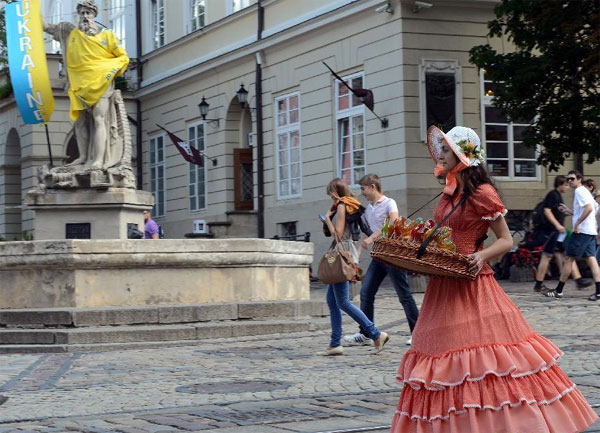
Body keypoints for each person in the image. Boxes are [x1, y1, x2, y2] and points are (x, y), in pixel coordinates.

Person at [390, 126, 597, 432]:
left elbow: (505, 240)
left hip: (472, 280)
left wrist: (480, 256)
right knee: (437, 354)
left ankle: (499, 422)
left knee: (483, 362)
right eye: (443, 149)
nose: (442, 155)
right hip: (444, 281)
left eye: (447, 150)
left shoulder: (482, 193)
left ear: (462, 155)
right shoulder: (449, 192)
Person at [43, 0, 129, 169]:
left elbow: (123, 57)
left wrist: (107, 70)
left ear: (94, 15)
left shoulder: (107, 36)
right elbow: (46, 26)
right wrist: (26, 7)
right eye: (82, 13)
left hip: (101, 83)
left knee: (99, 119)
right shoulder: (70, 33)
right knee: (80, 122)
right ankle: (83, 157)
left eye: (88, 13)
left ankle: (98, 160)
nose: (85, 16)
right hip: (79, 84)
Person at [343, 174, 419, 347]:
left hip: (392, 255)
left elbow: (393, 225)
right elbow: (368, 233)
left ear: (372, 187)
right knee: (366, 292)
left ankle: (417, 333)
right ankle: (366, 333)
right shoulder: (368, 209)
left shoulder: (389, 203)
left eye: (363, 188)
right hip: (378, 256)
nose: (362, 192)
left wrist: (372, 238)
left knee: (404, 295)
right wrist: (357, 256)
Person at [320, 178, 389, 356]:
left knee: (343, 301)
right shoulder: (350, 205)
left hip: (342, 255)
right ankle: (335, 343)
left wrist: (327, 219)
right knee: (332, 300)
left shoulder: (342, 206)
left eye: (331, 195)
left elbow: (338, 235)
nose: (331, 199)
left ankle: (375, 334)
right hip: (346, 253)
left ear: (335, 193)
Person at [543, 171, 600, 300]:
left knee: (569, 259)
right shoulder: (585, 191)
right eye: (568, 179)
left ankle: (559, 291)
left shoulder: (579, 191)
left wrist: (578, 224)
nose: (569, 181)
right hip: (590, 231)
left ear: (579, 179)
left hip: (582, 232)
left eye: (572, 179)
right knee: (591, 259)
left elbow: (589, 208)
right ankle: (598, 292)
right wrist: (569, 211)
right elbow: (592, 208)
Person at [532, 175, 591, 292]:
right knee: (547, 256)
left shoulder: (557, 196)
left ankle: (578, 280)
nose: (567, 187)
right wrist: (557, 225)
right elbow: (547, 211)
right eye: (566, 185)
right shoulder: (553, 195)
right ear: (560, 184)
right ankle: (538, 284)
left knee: (568, 255)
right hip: (552, 231)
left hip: (559, 232)